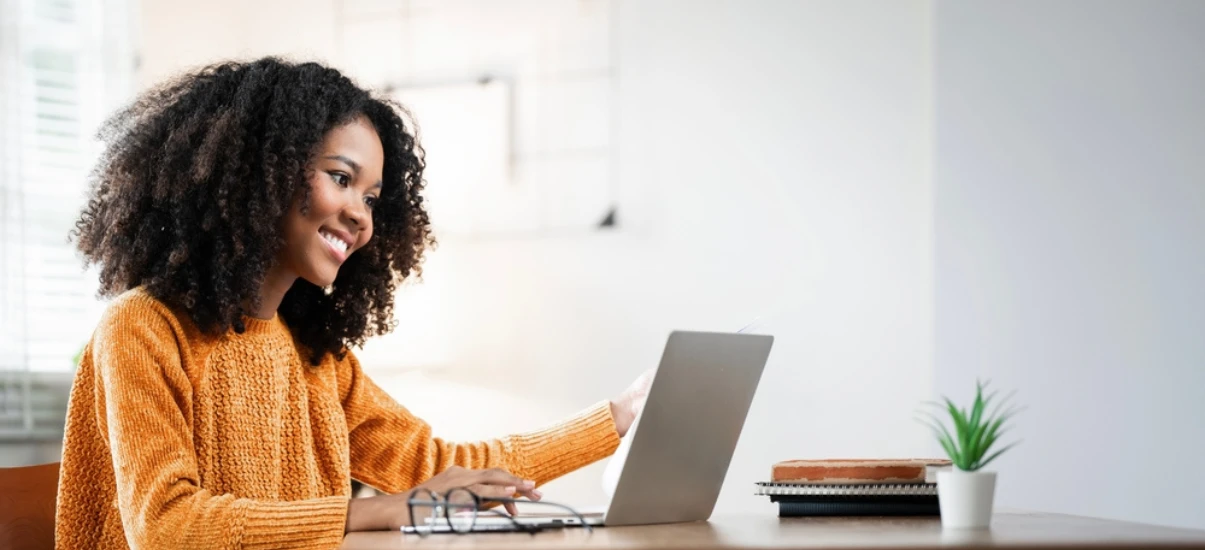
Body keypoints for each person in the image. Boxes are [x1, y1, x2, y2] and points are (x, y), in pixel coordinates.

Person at [55, 57, 651, 549]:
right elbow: (167, 527)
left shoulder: (317, 360)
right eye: (341, 178)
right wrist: (378, 510)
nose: (361, 216)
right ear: (262, 172)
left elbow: (439, 467)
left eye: (371, 198)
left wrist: (618, 417)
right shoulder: (142, 326)